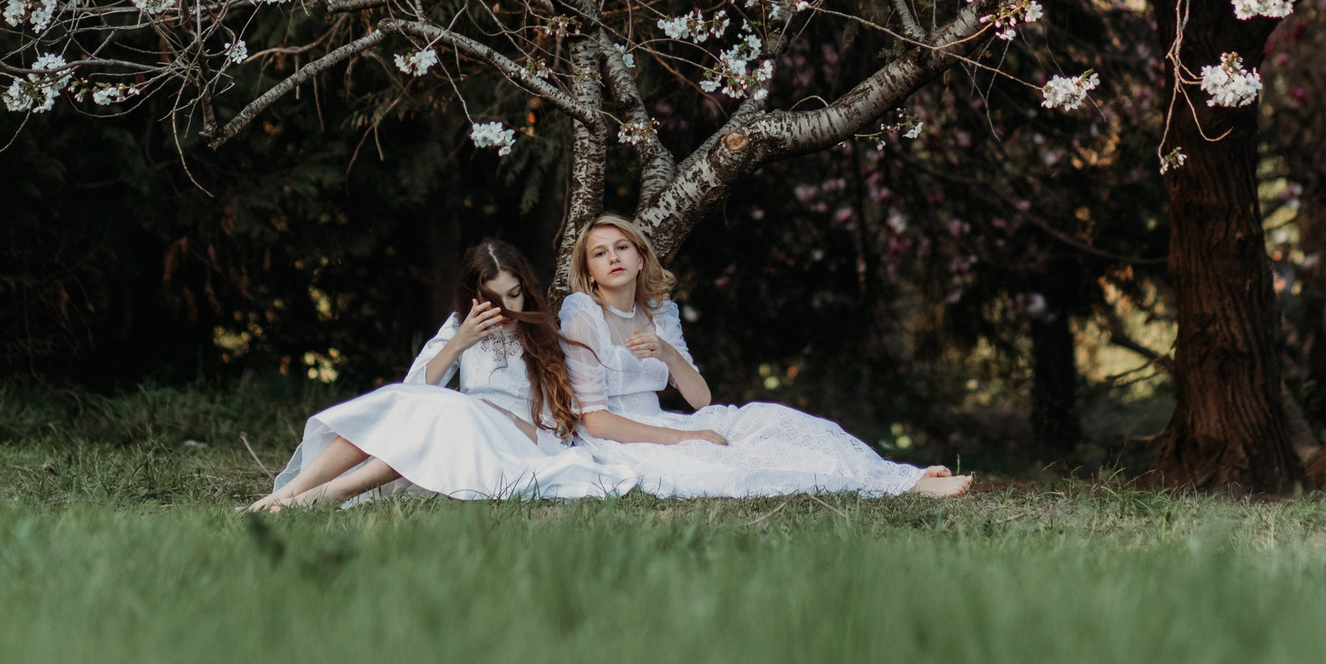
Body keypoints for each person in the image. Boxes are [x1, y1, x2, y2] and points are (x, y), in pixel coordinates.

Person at [560, 213, 973, 500]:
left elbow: (701, 400)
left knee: (777, 421)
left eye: (621, 247)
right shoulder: (582, 315)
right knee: (735, 464)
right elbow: (595, 422)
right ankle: (893, 485)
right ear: (589, 271)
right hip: (623, 440)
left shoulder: (660, 312)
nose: (613, 258)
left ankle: (895, 475)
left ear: (640, 255)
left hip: (668, 421)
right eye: (599, 253)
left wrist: (667, 352)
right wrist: (688, 437)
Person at [246, 240, 639, 511]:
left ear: (526, 288)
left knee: (458, 408)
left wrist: (491, 412)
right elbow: (410, 399)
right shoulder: (458, 327)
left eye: (515, 294)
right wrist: (459, 342)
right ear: (474, 296)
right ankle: (291, 492)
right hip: (458, 429)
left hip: (523, 443)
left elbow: (562, 424)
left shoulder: (546, 331)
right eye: (493, 298)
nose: (506, 307)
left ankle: (326, 495)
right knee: (422, 406)